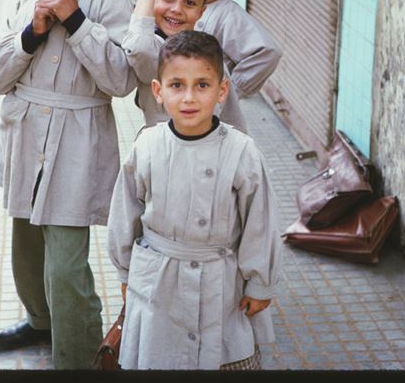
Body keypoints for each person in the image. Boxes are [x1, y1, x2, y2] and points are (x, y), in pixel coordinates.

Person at [0, 0, 138, 369]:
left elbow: (121, 80)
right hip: (26, 140)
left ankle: (78, 355)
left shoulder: (108, 1)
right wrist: (30, 34)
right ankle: (40, 321)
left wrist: (75, 22)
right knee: (26, 247)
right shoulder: (24, 4)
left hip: (76, 143)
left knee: (66, 265)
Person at [107, 30, 282, 370]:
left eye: (202, 85)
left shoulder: (241, 150)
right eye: (177, 85)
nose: (189, 97)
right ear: (158, 91)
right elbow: (124, 213)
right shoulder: (147, 146)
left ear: (222, 91)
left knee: (221, 355)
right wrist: (125, 271)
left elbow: (260, 221)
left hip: (221, 283)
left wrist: (260, 282)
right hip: (158, 281)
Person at [188, 0, 282, 133]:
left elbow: (268, 52)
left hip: (211, 124)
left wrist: (230, 90)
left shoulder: (226, 13)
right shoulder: (175, 5)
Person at [122, 0, 215, 129]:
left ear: (201, 12)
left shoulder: (208, 54)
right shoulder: (155, 45)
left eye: (189, 2)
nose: (177, 9)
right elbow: (139, 47)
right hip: (158, 146)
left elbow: (233, 119)